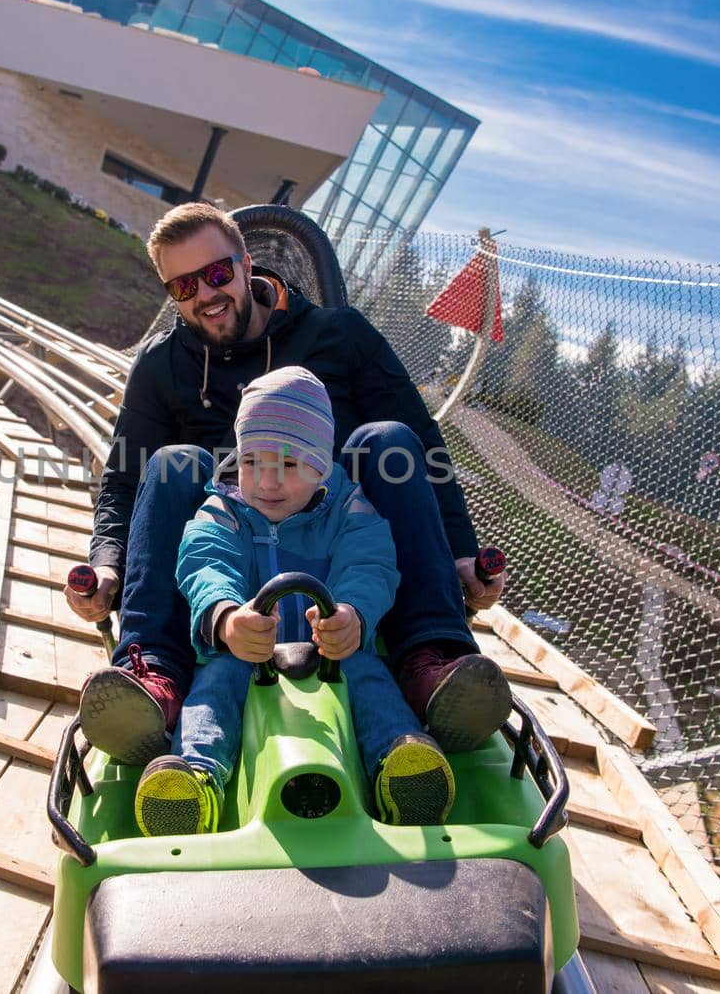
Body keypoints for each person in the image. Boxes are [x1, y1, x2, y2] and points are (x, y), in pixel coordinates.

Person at [66, 202, 511, 765]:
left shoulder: (338, 335)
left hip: (339, 546)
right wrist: (106, 561)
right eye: (182, 286)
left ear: (246, 263)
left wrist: (463, 554)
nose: (205, 294)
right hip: (222, 557)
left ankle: (431, 658)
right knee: (171, 461)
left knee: (391, 440)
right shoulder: (163, 364)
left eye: (217, 273)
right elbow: (123, 477)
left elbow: (427, 449)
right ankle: (154, 671)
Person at [134, 367, 454, 836]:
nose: (265, 481)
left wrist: (352, 615)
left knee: (368, 679)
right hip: (248, 653)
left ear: (321, 464)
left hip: (330, 651)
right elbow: (204, 560)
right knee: (214, 689)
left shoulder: (348, 509)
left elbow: (371, 564)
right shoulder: (224, 507)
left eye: (286, 465)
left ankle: (399, 762)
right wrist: (226, 619)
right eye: (252, 462)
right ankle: (194, 777)